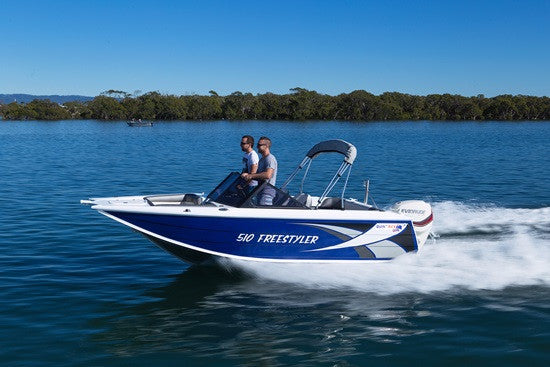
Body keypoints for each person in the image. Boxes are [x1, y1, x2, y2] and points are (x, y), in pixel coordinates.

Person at [241, 136, 277, 205]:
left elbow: (268, 175)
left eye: (259, 145)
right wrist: (247, 176)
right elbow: (257, 176)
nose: (257, 147)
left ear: (266, 146)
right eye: (257, 144)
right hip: (260, 190)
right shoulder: (262, 159)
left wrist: (250, 176)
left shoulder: (270, 159)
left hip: (267, 192)